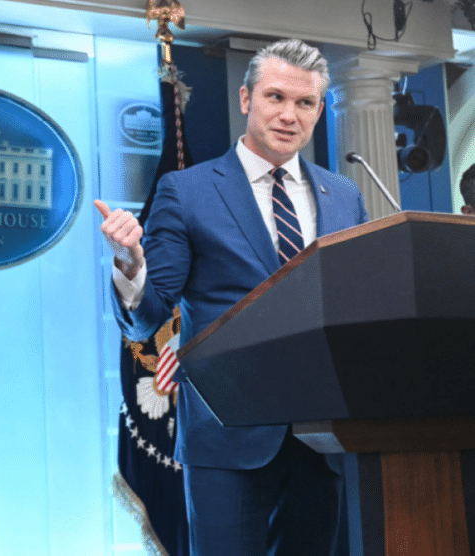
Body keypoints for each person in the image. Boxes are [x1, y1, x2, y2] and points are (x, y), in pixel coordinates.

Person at [96, 39, 369, 556]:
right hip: (227, 434)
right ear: (246, 99)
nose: (289, 115)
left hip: (322, 436)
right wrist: (131, 263)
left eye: (305, 103)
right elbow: (149, 315)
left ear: (318, 111)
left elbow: (354, 303)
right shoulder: (187, 190)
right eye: (275, 97)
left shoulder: (345, 195)